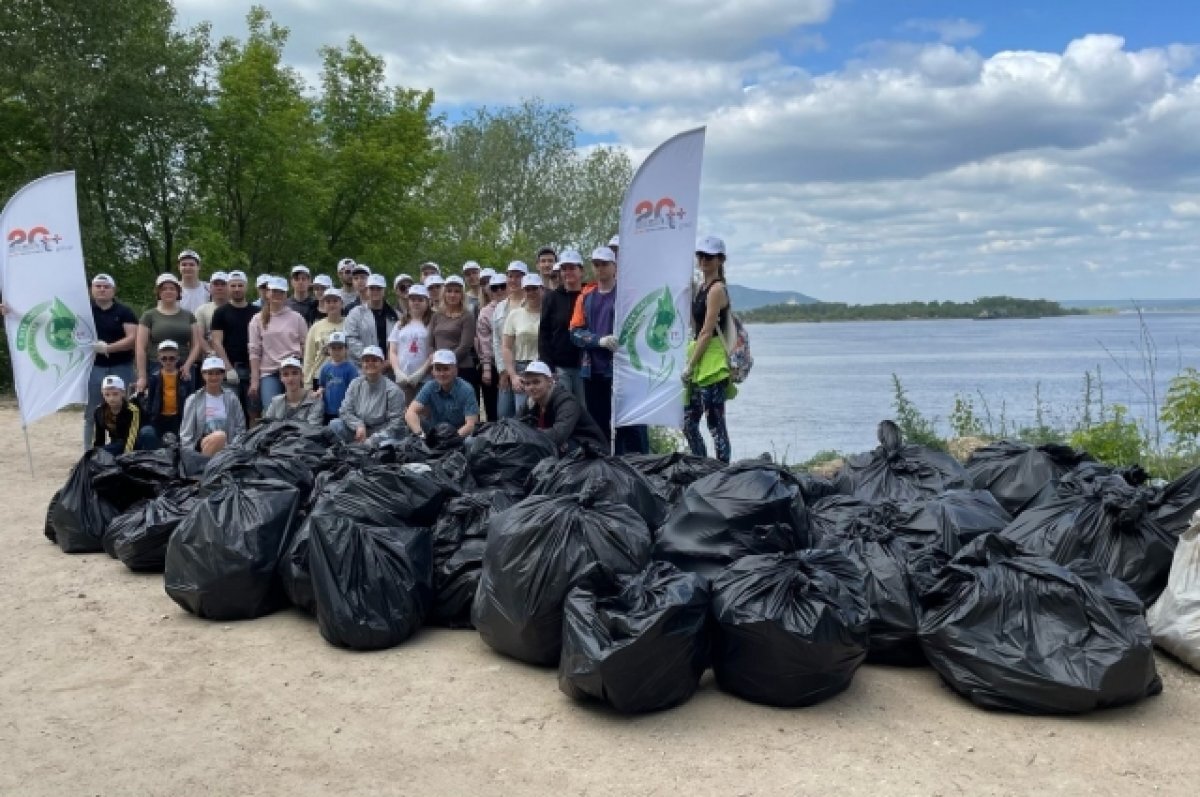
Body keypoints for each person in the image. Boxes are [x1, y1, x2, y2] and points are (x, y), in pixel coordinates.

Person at [570, 246, 649, 455]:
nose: (600, 269)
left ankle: (636, 465)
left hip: (623, 369)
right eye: (596, 264)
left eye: (604, 264)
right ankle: (603, 466)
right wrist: (598, 340)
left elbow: (641, 327)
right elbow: (574, 332)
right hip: (592, 370)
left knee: (629, 423)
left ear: (615, 267)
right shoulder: (585, 297)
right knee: (598, 423)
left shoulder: (626, 295)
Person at [683, 235, 734, 463]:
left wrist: (689, 365)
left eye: (709, 256)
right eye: (700, 255)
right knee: (688, 422)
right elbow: (694, 326)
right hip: (698, 358)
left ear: (720, 260)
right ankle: (700, 464)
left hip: (711, 361)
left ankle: (723, 472)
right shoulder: (702, 288)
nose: (703, 260)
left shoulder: (716, 290)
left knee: (715, 423)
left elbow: (706, 330)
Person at [83, 273, 138, 449]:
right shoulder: (84, 312)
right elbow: (54, 320)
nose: (102, 289)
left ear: (113, 290)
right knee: (92, 411)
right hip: (94, 368)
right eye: (98, 286)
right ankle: (88, 453)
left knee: (125, 408)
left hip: (121, 366)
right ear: (91, 290)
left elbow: (132, 338)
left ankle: (124, 448)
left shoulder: (124, 312)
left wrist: (107, 348)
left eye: (106, 287)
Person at [518, 361, 608, 453]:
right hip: (568, 447)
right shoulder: (531, 402)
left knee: (559, 446)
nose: (531, 387)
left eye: (536, 382)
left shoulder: (567, 401)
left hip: (592, 449)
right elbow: (515, 425)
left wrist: (526, 435)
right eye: (527, 384)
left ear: (549, 381)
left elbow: (558, 435)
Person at [248, 276, 309, 411]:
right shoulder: (257, 320)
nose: (277, 295)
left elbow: (306, 346)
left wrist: (305, 373)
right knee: (271, 411)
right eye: (274, 291)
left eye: (281, 292)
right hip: (270, 372)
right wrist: (255, 380)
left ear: (286, 295)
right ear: (268, 293)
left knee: (296, 410)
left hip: (293, 370)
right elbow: (254, 351)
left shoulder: (297, 318)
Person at [136, 273, 202, 393]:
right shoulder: (149, 316)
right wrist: (142, 376)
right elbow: (140, 347)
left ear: (178, 292)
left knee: (185, 404)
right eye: (164, 289)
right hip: (157, 365)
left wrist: (188, 365)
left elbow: (196, 345)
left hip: (183, 367)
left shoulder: (189, 316)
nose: (168, 291)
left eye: (172, 288)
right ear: (159, 293)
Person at [330, 345, 405, 445]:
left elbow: (396, 424)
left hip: (382, 433)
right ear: (362, 364)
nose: (370, 363)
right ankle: (357, 446)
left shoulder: (393, 390)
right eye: (366, 360)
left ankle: (359, 446)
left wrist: (374, 439)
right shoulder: (355, 384)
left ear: (382, 364)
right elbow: (344, 411)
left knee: (387, 444)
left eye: (374, 360)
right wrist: (358, 425)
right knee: (335, 424)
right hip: (359, 430)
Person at [539, 248, 586, 404]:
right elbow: (544, 334)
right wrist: (548, 367)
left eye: (572, 268)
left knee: (585, 411)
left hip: (585, 366)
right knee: (564, 410)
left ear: (581, 270)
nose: (568, 272)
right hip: (560, 367)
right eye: (564, 269)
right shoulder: (551, 297)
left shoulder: (589, 295)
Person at [210, 270, 257, 422]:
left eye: (240, 285)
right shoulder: (220, 312)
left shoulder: (257, 312)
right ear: (228, 287)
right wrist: (228, 368)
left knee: (254, 412)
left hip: (253, 369)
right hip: (231, 369)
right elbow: (216, 341)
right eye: (233, 285)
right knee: (230, 412)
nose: (237, 289)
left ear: (246, 287)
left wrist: (256, 371)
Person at [405, 349, 479, 439]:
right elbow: (411, 412)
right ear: (433, 372)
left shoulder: (467, 389)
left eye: (446, 369)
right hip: (434, 432)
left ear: (455, 370)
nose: (442, 374)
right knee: (409, 423)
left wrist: (450, 440)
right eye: (438, 369)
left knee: (470, 441)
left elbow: (471, 424)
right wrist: (421, 435)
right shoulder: (430, 386)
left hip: (459, 435)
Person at [180, 357, 245, 456]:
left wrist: (235, 449)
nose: (214, 377)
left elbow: (240, 429)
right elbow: (186, 434)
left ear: (223, 375)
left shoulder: (232, 398)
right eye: (210, 373)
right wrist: (189, 456)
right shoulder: (193, 400)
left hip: (229, 449)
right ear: (203, 375)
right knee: (219, 436)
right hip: (200, 449)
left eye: (218, 373)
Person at [502, 273, 545, 415]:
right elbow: (506, 347)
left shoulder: (548, 313)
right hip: (522, 368)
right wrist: (513, 375)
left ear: (542, 289)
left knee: (544, 412)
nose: (531, 292)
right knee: (522, 413)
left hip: (543, 367)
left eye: (535, 288)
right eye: (528, 289)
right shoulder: (515, 314)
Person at [491, 261, 528, 418]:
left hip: (525, 366)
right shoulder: (500, 307)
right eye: (510, 276)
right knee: (503, 414)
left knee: (522, 414)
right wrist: (503, 370)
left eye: (518, 276)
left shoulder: (531, 304)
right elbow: (497, 340)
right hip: (505, 368)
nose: (513, 280)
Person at [428, 275, 478, 391]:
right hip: (440, 371)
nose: (452, 295)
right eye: (449, 291)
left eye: (457, 292)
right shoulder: (436, 316)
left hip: (462, 369)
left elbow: (465, 345)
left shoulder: (467, 316)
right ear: (444, 293)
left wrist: (447, 363)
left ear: (462, 295)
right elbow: (430, 343)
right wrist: (438, 362)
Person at [136, 340, 187, 450]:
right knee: (147, 433)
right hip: (158, 418)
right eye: (164, 358)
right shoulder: (154, 377)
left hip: (178, 419)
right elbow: (150, 401)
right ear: (159, 359)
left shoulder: (184, 378)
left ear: (178, 358)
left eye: (172, 358)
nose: (168, 362)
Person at [389, 284, 432, 403]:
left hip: (425, 379)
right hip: (403, 378)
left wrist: (421, 372)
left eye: (420, 299)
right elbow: (393, 350)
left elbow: (435, 351)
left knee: (422, 414)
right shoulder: (400, 324)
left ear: (427, 302)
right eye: (413, 299)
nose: (416, 303)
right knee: (404, 412)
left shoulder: (432, 323)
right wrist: (397, 371)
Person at [344, 273, 399, 368]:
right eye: (372, 288)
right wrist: (371, 360)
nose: (375, 291)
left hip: (391, 368)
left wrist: (390, 361)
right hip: (363, 368)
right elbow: (350, 339)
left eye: (379, 288)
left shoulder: (395, 315)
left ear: (384, 290)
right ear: (366, 290)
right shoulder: (355, 313)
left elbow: (401, 341)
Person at [475, 272, 507, 421]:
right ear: (489, 291)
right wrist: (486, 368)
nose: (499, 290)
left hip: (518, 363)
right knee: (493, 409)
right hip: (494, 365)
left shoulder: (520, 305)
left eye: (503, 286)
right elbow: (485, 343)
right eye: (495, 288)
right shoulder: (485, 312)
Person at [303, 288, 345, 388]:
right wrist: (307, 383)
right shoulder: (316, 327)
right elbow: (309, 357)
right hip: (320, 376)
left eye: (335, 301)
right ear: (323, 304)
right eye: (328, 301)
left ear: (342, 303)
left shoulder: (350, 323)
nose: (331, 304)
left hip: (345, 374)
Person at [263, 356, 323, 424]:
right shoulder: (275, 401)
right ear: (281, 378)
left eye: (294, 373)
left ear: (302, 376)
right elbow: (266, 426)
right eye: (286, 374)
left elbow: (313, 428)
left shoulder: (315, 400)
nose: (290, 378)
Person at [91, 375, 141, 455]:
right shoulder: (99, 411)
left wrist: (126, 456)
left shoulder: (132, 410)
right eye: (107, 395)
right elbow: (99, 438)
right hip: (114, 444)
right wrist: (95, 455)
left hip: (132, 444)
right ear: (102, 394)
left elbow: (132, 436)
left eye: (115, 394)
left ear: (123, 393)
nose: (111, 398)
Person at [318, 331, 358, 422]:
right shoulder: (325, 368)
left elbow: (354, 390)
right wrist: (319, 391)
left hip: (345, 411)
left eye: (340, 348)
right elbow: (322, 385)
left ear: (346, 349)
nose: (336, 351)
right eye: (333, 348)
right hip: (327, 410)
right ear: (328, 349)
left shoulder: (351, 369)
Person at [193, 271, 229, 360]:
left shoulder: (237, 307)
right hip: (211, 359)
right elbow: (200, 337)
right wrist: (210, 353)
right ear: (210, 287)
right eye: (216, 284)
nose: (219, 288)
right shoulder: (202, 310)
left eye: (223, 284)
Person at [176, 249, 209, 313]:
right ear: (178, 267)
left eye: (191, 265)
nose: (188, 268)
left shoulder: (209, 289)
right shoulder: (172, 289)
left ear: (199, 267)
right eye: (184, 265)